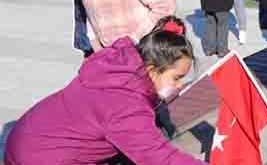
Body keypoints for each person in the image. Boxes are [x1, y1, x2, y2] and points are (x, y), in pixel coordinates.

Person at [4, 17, 202, 165]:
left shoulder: (119, 72)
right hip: (39, 157)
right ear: (151, 70)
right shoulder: (126, 104)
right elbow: (158, 157)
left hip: (28, 141)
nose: (180, 85)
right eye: (177, 77)